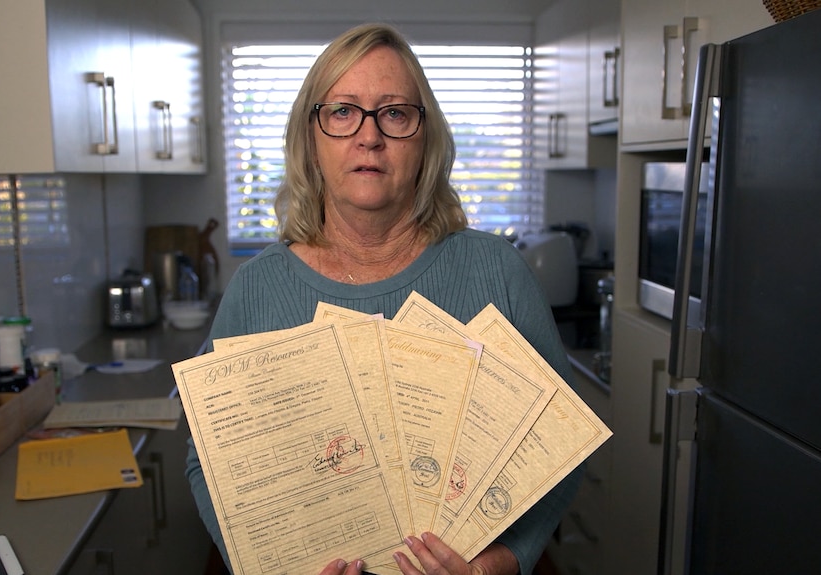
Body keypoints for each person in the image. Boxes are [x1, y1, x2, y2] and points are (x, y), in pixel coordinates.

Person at [185, 22, 582, 575]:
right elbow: (209, 461)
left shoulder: (496, 272)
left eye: (394, 113)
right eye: (343, 111)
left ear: (425, 140)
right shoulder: (256, 291)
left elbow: (558, 452)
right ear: (311, 137)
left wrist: (496, 566)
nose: (368, 136)